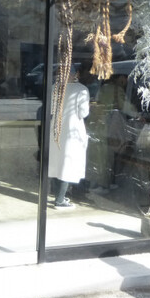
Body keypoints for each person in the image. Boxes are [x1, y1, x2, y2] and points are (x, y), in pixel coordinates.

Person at [49, 68, 90, 208]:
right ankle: (60, 200)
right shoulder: (81, 89)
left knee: (56, 162)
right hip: (72, 129)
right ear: (75, 74)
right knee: (67, 163)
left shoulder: (55, 87)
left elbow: (51, 109)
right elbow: (83, 113)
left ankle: (58, 196)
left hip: (56, 127)